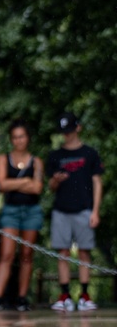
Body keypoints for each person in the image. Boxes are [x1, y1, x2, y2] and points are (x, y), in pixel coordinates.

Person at [46, 112, 104, 312]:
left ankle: (85, 295)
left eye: (70, 131)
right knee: (62, 251)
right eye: (64, 132)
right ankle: (65, 295)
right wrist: (56, 180)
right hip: (61, 210)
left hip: (84, 209)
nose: (67, 135)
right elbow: (50, 186)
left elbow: (97, 182)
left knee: (84, 252)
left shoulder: (90, 154)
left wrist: (95, 211)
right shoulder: (55, 156)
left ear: (77, 128)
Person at [0, 120, 43, 311]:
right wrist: (26, 181)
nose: (18, 140)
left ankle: (22, 298)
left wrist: (17, 183)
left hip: (31, 211)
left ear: (27, 138)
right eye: (15, 137)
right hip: (11, 211)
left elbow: (37, 188)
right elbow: (1, 185)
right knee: (7, 254)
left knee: (27, 255)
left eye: (22, 136)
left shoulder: (36, 161)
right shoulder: (3, 159)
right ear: (11, 140)